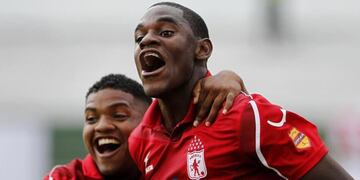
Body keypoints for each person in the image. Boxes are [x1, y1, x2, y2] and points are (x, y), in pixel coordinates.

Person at [129, 2, 353, 179]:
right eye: (139, 38)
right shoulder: (140, 139)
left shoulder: (247, 118)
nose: (146, 40)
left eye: (166, 32)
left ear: (202, 49)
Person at [44, 72, 248, 179]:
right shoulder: (66, 177)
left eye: (119, 115)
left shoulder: (172, 167)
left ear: (149, 123)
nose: (102, 126)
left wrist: (229, 78)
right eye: (91, 119)